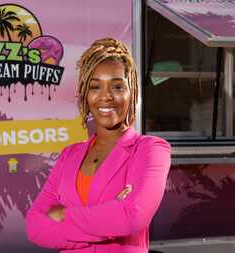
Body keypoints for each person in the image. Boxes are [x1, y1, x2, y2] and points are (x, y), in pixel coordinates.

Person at [25, 38, 171, 253]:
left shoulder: (150, 149)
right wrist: (107, 216)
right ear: (85, 94)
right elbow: (35, 227)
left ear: (132, 94)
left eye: (117, 86)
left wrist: (65, 214)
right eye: (95, 86)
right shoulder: (70, 155)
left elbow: (132, 217)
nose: (106, 96)